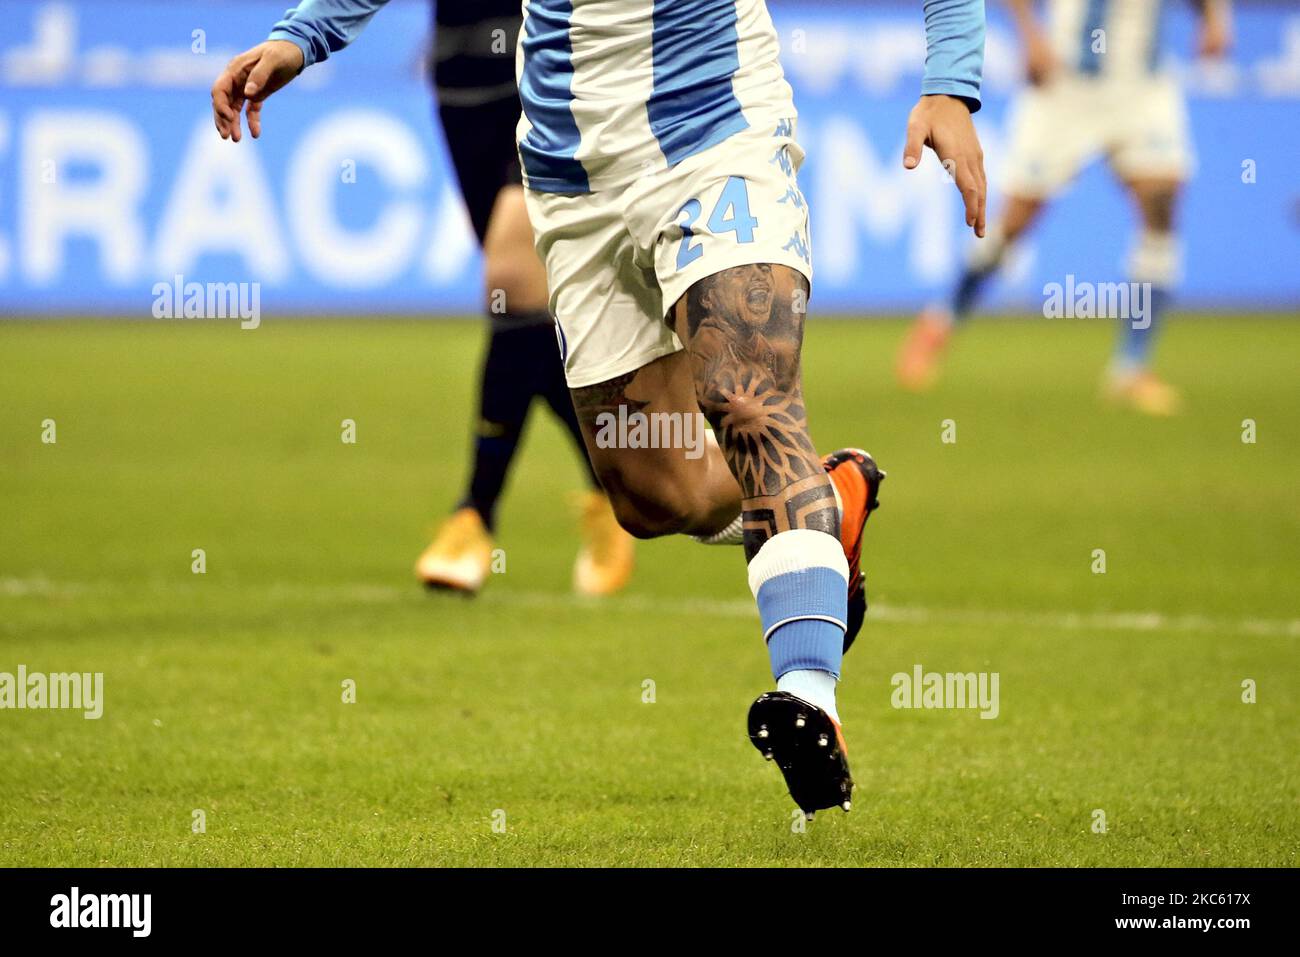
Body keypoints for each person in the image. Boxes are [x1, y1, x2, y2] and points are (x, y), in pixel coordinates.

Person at [212, 0, 987, 816]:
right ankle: (828, 503)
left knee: (744, 396)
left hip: (715, 126)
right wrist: (304, 34)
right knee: (654, 494)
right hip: (570, 162)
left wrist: (951, 81)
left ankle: (808, 695)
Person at [898, 0, 1231, 416]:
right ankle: (940, 323)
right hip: (1064, 81)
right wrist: (1031, 37)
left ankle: (1132, 367)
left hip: (1142, 85)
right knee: (1015, 222)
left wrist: (1216, 18)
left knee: (1160, 206)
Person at [417, 1, 634, 596]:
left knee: (510, 280)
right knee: (524, 309)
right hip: (460, 74)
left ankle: (473, 515)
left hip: (556, 56)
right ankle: (618, 480)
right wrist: (307, 34)